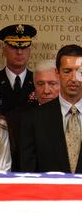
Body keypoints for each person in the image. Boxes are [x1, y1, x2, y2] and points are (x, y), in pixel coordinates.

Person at [20, 44, 82, 173]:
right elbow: (28, 172)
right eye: (67, 71)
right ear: (57, 73)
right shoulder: (33, 119)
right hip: (48, 193)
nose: (74, 78)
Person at [0, 24, 37, 171]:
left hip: (32, 155)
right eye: (13, 47)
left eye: (24, 47)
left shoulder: (39, 82)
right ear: (4, 49)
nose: (19, 52)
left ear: (29, 50)